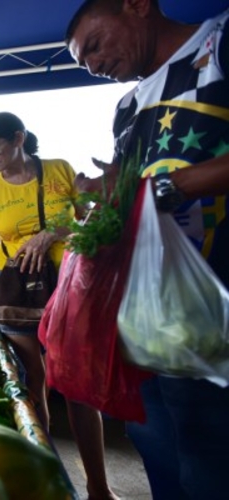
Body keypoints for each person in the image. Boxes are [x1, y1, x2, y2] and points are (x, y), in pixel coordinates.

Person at [67, 2, 229, 499]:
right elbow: (135, 191)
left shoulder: (218, 44)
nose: (93, 65)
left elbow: (159, 188)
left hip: (217, 306)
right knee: (157, 443)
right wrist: (104, 192)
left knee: (210, 455)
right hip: (153, 314)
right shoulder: (128, 107)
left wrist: (173, 185)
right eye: (81, 62)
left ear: (137, 5)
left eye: (94, 45)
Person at [0, 112, 119, 500]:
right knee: (34, 383)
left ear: (19, 138)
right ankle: (45, 478)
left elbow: (91, 222)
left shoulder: (60, 171)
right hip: (15, 292)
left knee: (77, 386)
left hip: (67, 286)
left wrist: (51, 233)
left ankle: (98, 487)